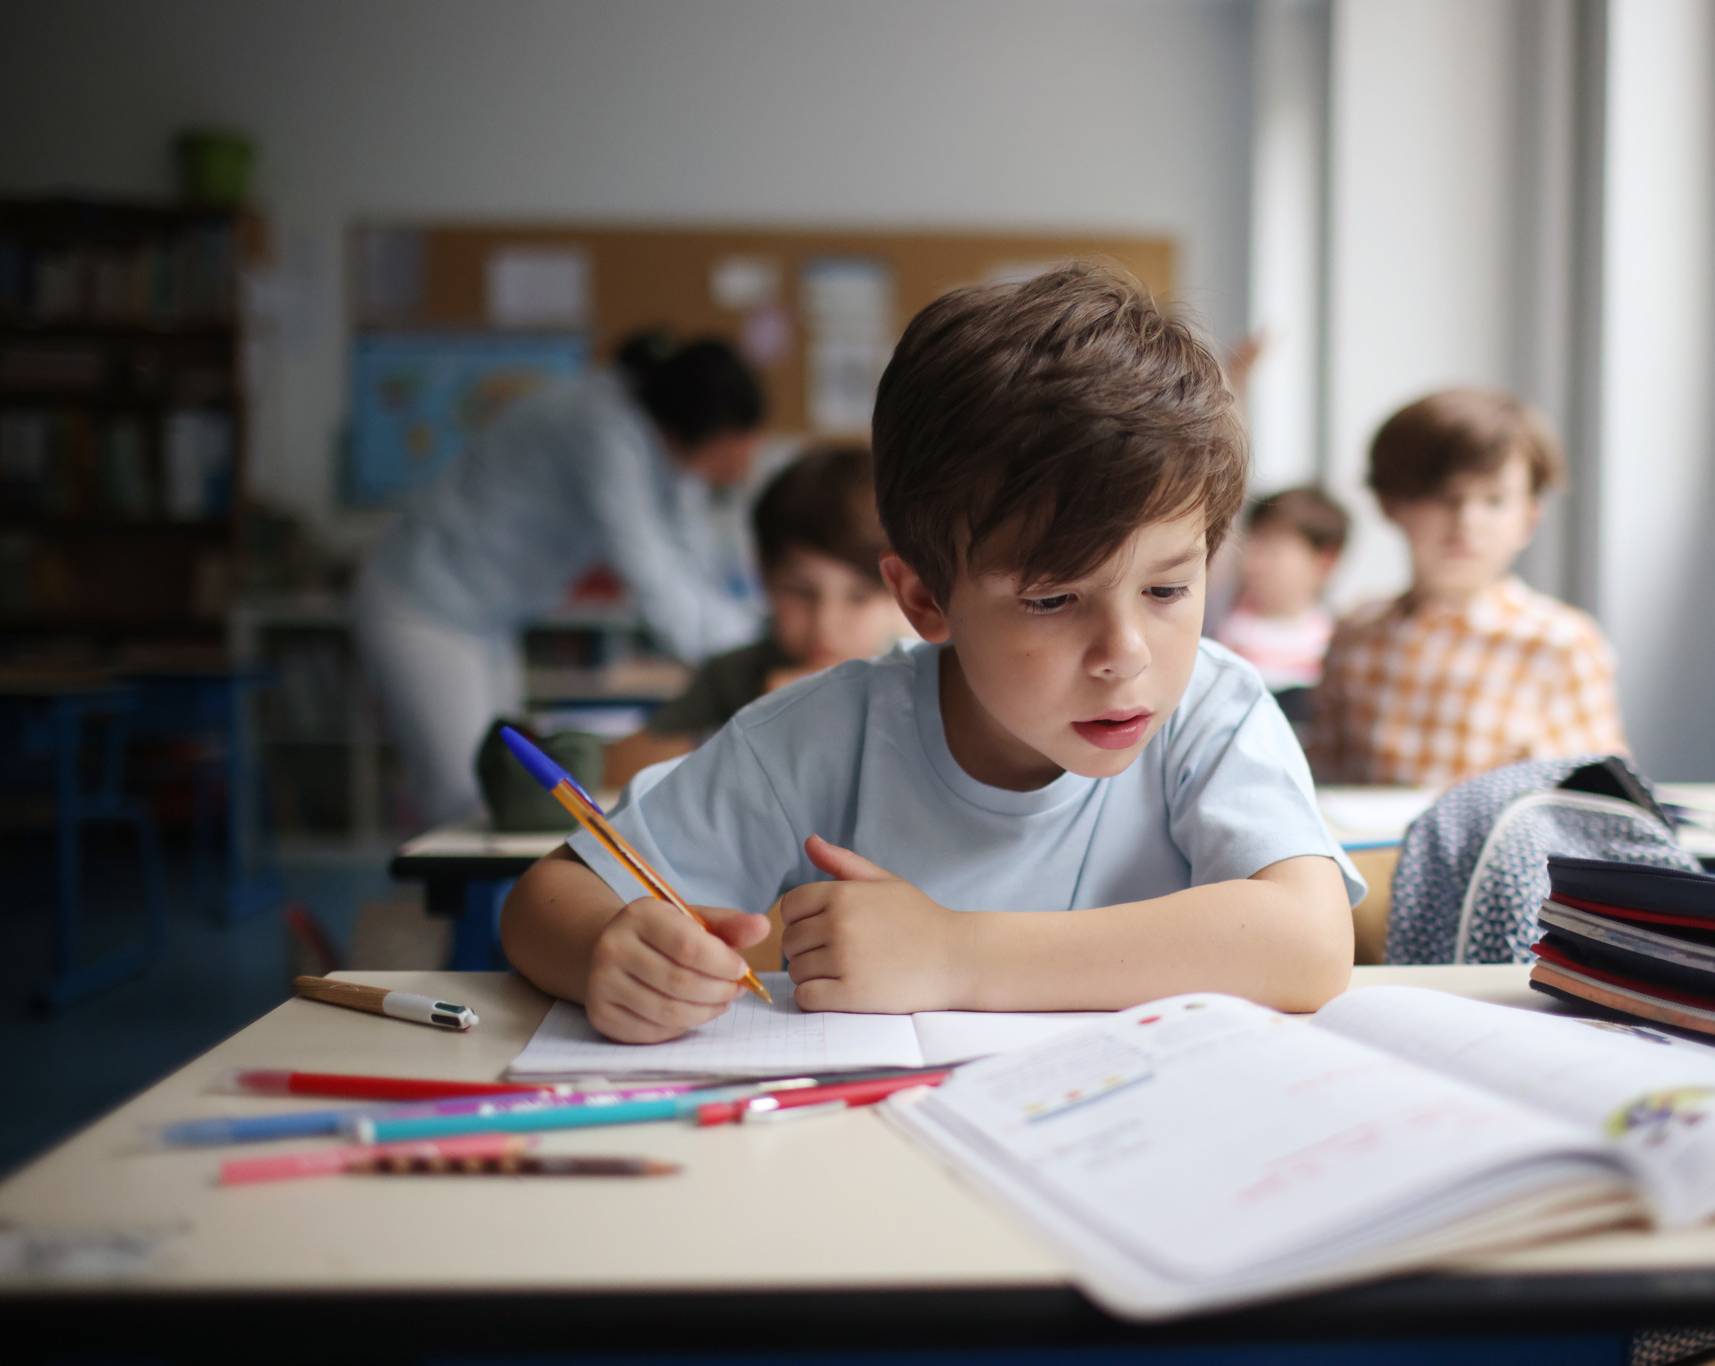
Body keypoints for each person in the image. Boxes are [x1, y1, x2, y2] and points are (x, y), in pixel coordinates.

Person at [500, 264, 1361, 1043]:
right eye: (1053, 600)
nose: (1125, 654)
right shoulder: (823, 735)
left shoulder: (1212, 711)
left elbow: (1312, 942)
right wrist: (612, 949)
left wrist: (956, 954)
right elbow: (546, 900)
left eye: (1167, 590)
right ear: (924, 599)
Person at [353, 334, 769, 825]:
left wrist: (754, 632)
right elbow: (651, 569)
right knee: (466, 802)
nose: (734, 469)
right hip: (422, 607)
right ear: (692, 426)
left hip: (486, 622)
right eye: (726, 453)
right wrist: (748, 658)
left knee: (509, 788)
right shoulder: (602, 429)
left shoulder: (655, 443)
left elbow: (692, 551)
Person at [1308, 388, 1628, 788]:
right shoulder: (1355, 636)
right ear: (1390, 502)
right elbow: (1322, 783)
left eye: (1494, 501)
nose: (1467, 522)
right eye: (1443, 497)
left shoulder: (1560, 644)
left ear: (1529, 517)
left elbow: (1594, 803)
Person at [600, 442, 907, 788]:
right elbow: (616, 770)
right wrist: (753, 725)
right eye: (800, 592)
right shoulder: (735, 674)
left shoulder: (919, 682)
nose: (826, 624)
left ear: (903, 587)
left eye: (859, 597)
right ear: (763, 575)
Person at [1211, 487, 1349, 724]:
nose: (1252, 563)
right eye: (1252, 545)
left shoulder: (1333, 650)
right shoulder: (1218, 621)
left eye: (1273, 551)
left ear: (1324, 561)